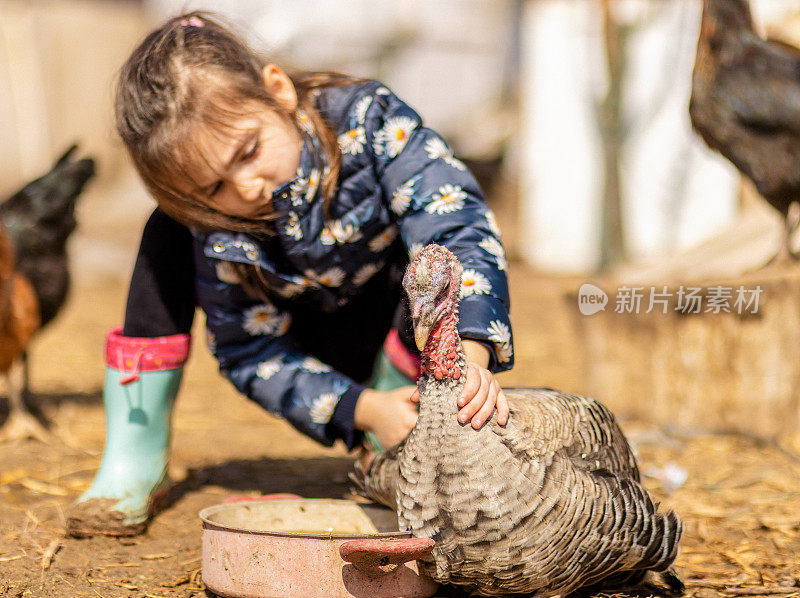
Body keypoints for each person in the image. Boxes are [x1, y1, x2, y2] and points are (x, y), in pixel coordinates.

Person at [67, 11, 515, 537]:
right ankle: (134, 450)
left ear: (276, 89)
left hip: (411, 334)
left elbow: (454, 223)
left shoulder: (371, 122)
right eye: (213, 189)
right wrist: (362, 409)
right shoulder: (216, 228)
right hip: (319, 353)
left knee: (431, 245)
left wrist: (467, 348)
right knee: (165, 233)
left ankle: (412, 413)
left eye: (249, 151)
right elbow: (248, 349)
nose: (247, 188)